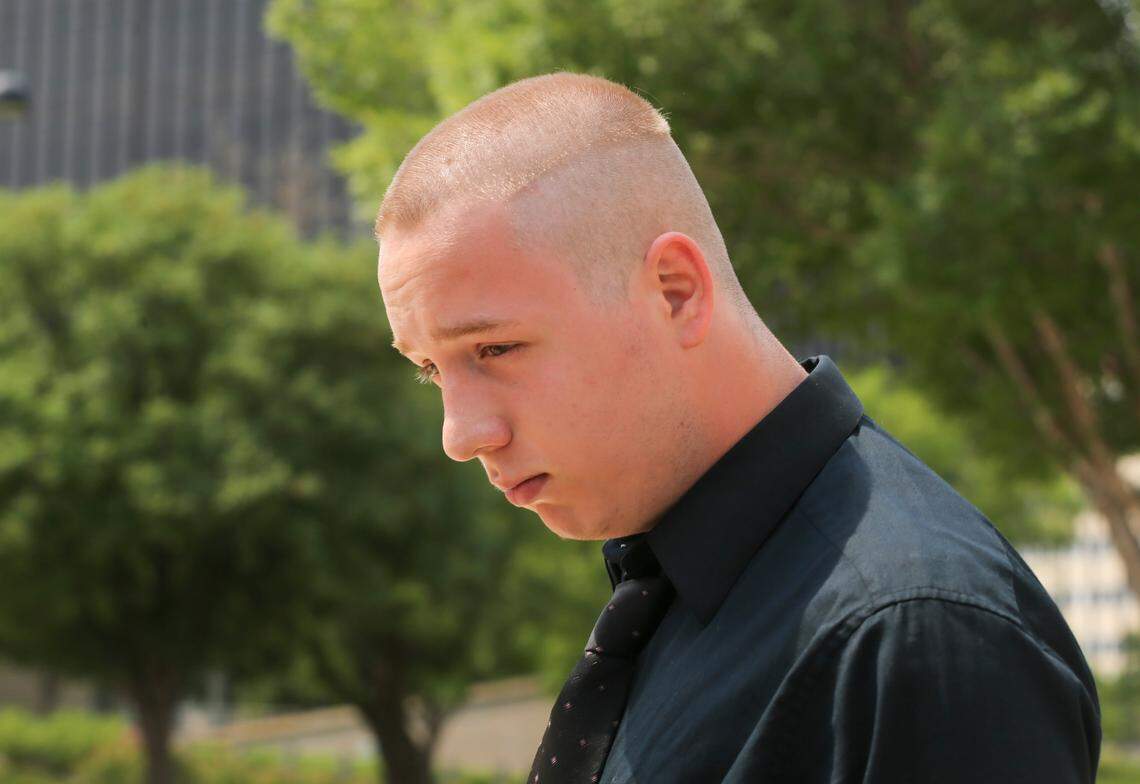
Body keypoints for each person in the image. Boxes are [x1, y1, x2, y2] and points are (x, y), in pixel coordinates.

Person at [375, 71, 1101, 783]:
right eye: (431, 370)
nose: (460, 435)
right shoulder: (681, 589)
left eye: (495, 349)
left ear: (675, 291)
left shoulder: (909, 633)